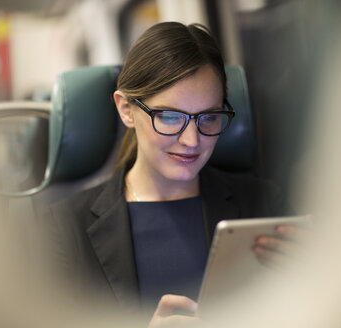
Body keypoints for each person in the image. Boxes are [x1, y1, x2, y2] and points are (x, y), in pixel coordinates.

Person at [43, 22, 295, 327]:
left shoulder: (264, 204)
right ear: (126, 109)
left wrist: (307, 283)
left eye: (209, 117)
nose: (192, 140)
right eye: (171, 116)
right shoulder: (65, 228)